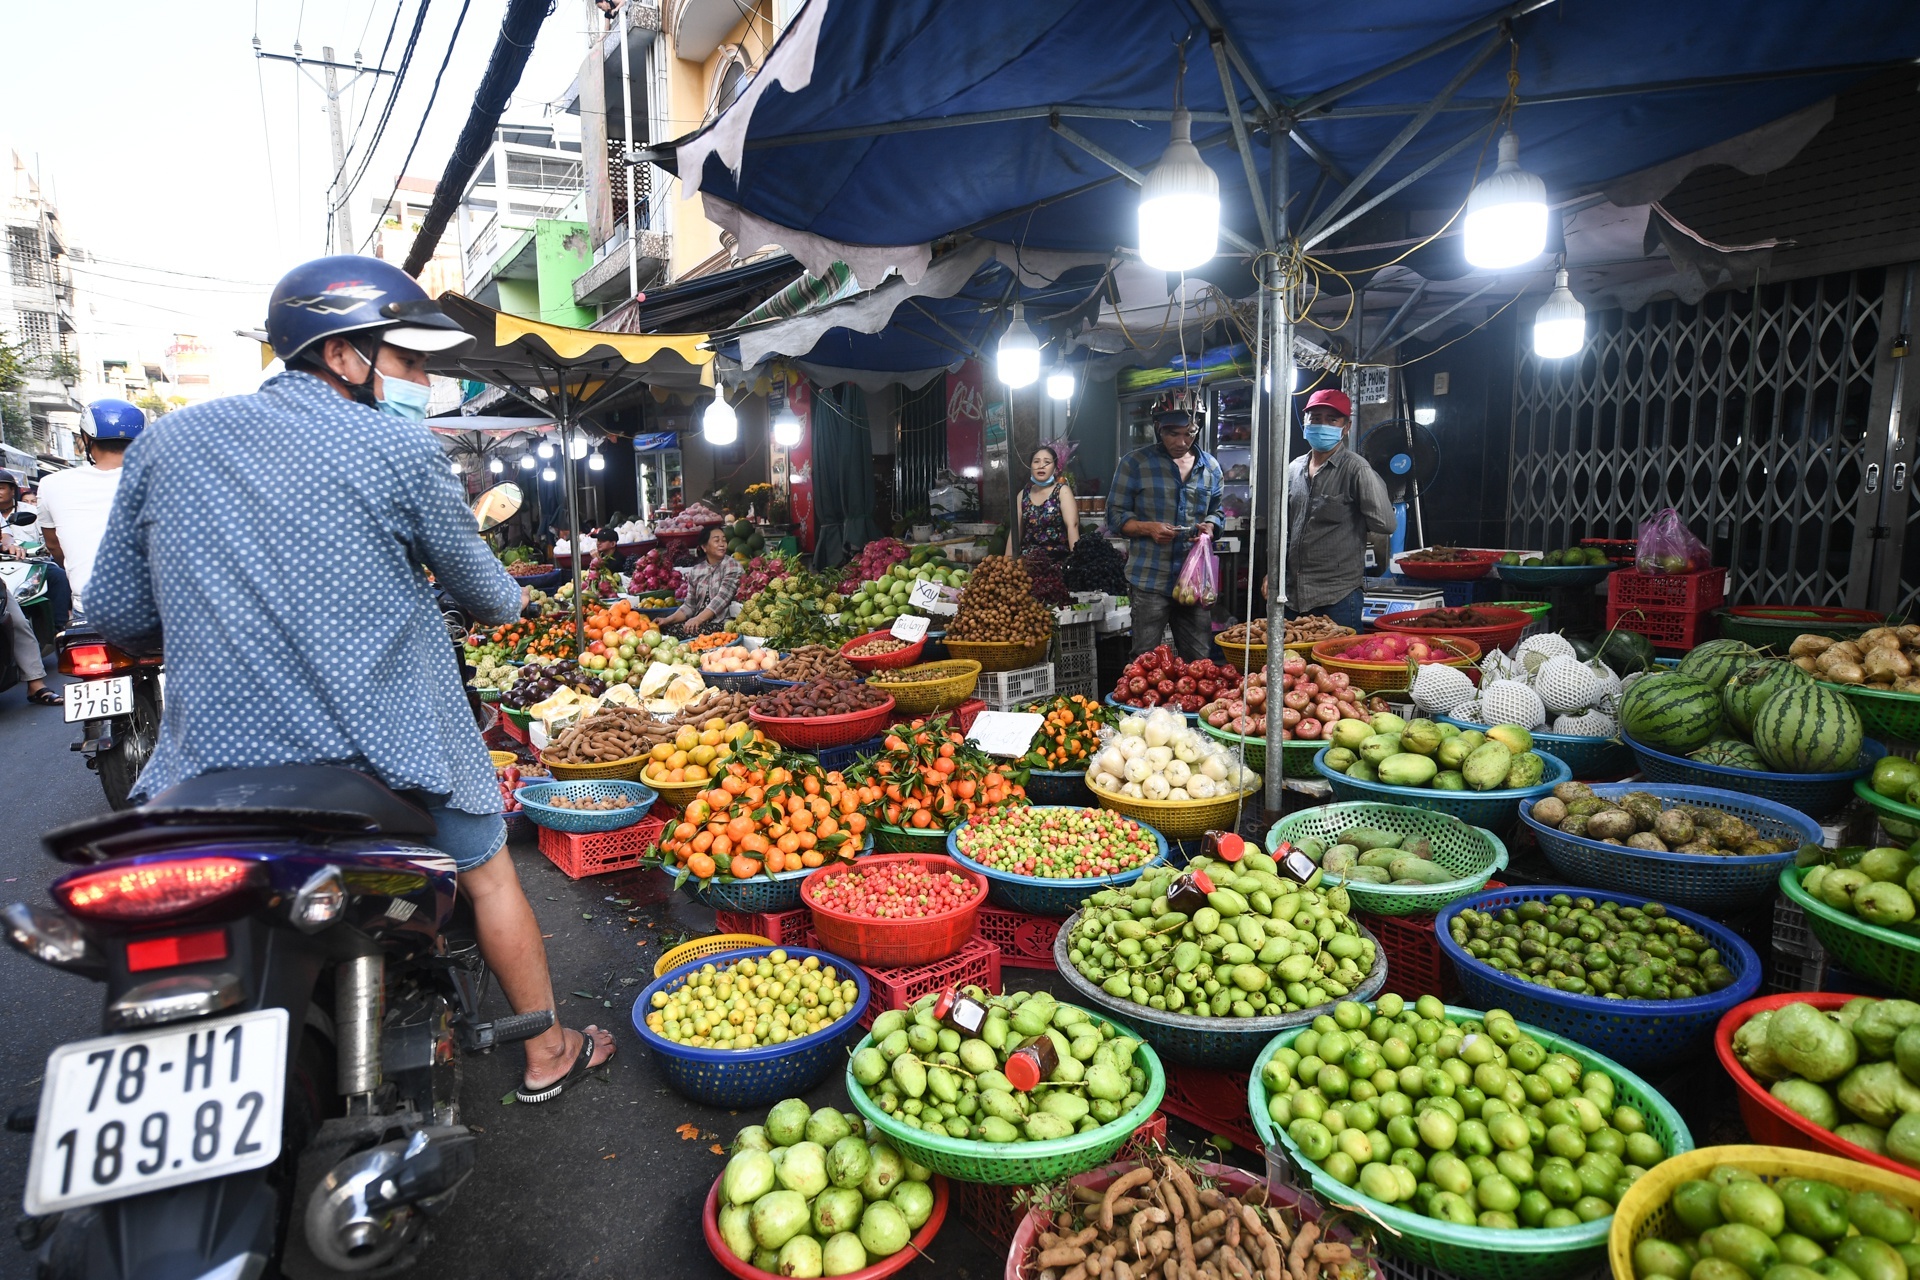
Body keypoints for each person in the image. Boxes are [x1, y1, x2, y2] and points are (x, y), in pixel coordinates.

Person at [87, 254, 613, 1102]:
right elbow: (488, 596)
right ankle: (548, 1051)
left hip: (211, 765)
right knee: (485, 869)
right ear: (341, 356)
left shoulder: (166, 441)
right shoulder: (399, 448)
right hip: (386, 751)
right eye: (407, 361)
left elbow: (115, 616)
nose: (421, 381)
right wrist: (500, 597)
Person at [1107, 408, 1224, 660]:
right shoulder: (1135, 463)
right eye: (1173, 434)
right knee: (1144, 660)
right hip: (1150, 579)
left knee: (1200, 661)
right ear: (1158, 427)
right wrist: (1148, 528)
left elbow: (1217, 511)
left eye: (1189, 434)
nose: (1181, 442)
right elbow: (1115, 517)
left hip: (1194, 584)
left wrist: (1210, 527)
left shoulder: (1210, 468)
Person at [1281, 389, 1393, 632]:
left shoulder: (1357, 469)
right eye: (1316, 418)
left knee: (1341, 664)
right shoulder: (1293, 469)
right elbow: (1284, 528)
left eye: (1332, 420)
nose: (1322, 424)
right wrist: (1273, 573)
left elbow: (1386, 523)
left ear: (1346, 426)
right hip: (1293, 595)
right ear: (1305, 422)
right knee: (1293, 665)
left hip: (1337, 596)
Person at [38, 398, 144, 615]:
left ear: (86, 438)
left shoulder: (51, 483)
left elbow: (54, 546)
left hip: (89, 608)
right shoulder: (165, 480)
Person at [0, 469, 71, 633]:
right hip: (4, 566)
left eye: (2, 488)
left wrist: (17, 547)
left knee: (59, 576)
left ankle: (59, 626)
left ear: (13, 490)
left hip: (32, 562)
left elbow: (7, 537)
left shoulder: (32, 512)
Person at [662, 524, 742, 636]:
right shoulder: (696, 571)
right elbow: (690, 605)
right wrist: (667, 620)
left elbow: (722, 599)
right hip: (698, 623)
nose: (722, 544)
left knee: (680, 633)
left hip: (722, 623)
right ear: (704, 547)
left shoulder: (732, 565)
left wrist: (698, 619)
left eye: (724, 540)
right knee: (665, 629)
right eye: (716, 540)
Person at [1019, 445, 1078, 562]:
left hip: (1057, 563)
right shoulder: (1022, 494)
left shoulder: (1062, 491)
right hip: (1028, 563)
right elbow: (1015, 531)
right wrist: (1007, 561)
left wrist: (1077, 563)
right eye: (1036, 461)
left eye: (1047, 462)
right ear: (1030, 466)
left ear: (1055, 468)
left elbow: (1073, 526)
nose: (1041, 466)